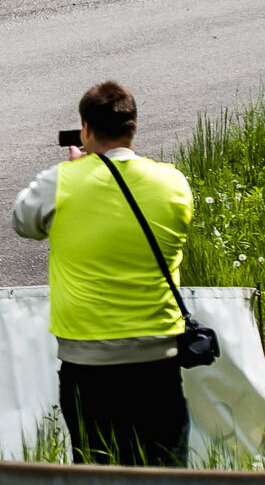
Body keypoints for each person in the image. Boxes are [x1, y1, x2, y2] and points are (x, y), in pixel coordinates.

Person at [12, 81, 194, 465]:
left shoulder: (61, 181)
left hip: (88, 361)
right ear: (133, 128)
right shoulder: (174, 183)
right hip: (158, 357)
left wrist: (81, 170)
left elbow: (23, 222)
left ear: (86, 129)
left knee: (98, 473)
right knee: (166, 478)